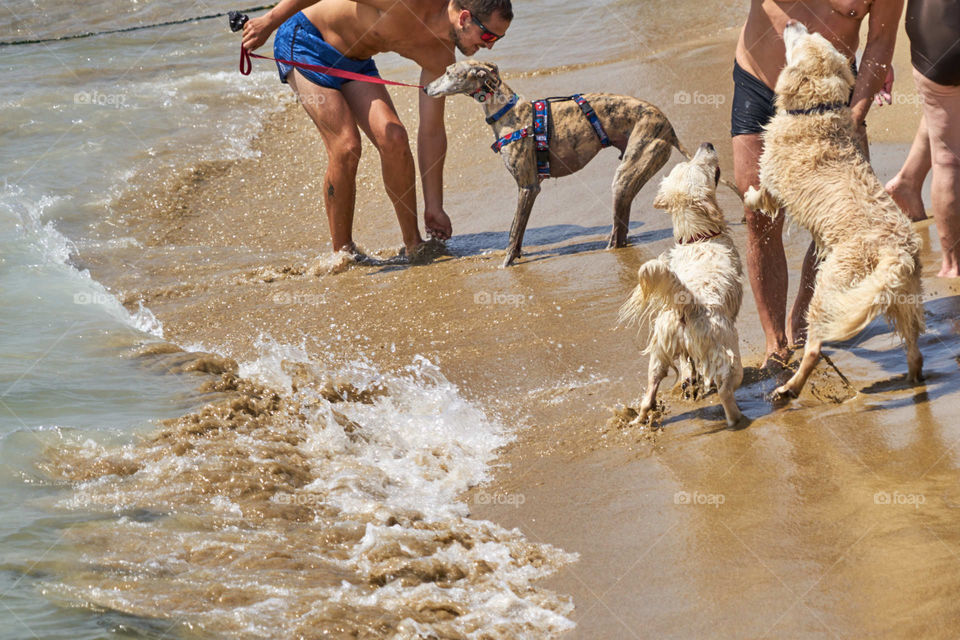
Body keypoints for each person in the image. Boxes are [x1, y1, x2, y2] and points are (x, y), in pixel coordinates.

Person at [241, 0, 513, 258]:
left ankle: (413, 245)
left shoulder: (439, 55)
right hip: (305, 42)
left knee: (394, 136)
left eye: (497, 40)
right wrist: (269, 21)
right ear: (465, 18)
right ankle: (342, 255)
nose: (489, 47)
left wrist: (434, 206)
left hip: (355, 63)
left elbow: (432, 131)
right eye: (488, 37)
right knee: (346, 146)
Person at [731, 0, 905, 368]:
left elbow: (880, 43)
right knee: (758, 214)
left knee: (841, 219)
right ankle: (775, 343)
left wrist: (854, 116)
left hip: (832, 91)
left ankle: (804, 325)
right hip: (760, 80)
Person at [885, 0, 960, 276]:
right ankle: (953, 266)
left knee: (945, 117)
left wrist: (881, 51)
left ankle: (908, 181)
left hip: (932, 25)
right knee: (950, 159)